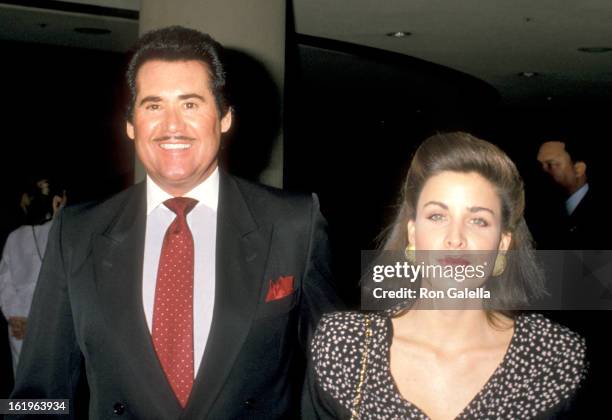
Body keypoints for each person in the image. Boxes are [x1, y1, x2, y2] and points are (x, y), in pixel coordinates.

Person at [11, 26, 339, 419]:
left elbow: (333, 373)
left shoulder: (293, 223)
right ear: (131, 124)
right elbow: (35, 391)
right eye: (153, 106)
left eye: (190, 104)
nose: (171, 126)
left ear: (224, 117)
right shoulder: (77, 232)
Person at [305, 132, 586, 419]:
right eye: (437, 216)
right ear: (413, 233)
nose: (455, 238)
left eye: (478, 220)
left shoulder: (554, 356)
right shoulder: (344, 346)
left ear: (502, 243)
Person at [0, 178, 66, 375]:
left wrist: (14, 318)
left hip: (19, 325)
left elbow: (4, 283)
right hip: (49, 324)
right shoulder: (61, 233)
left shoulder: (15, 236)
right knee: (52, 387)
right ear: (57, 201)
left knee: (23, 386)